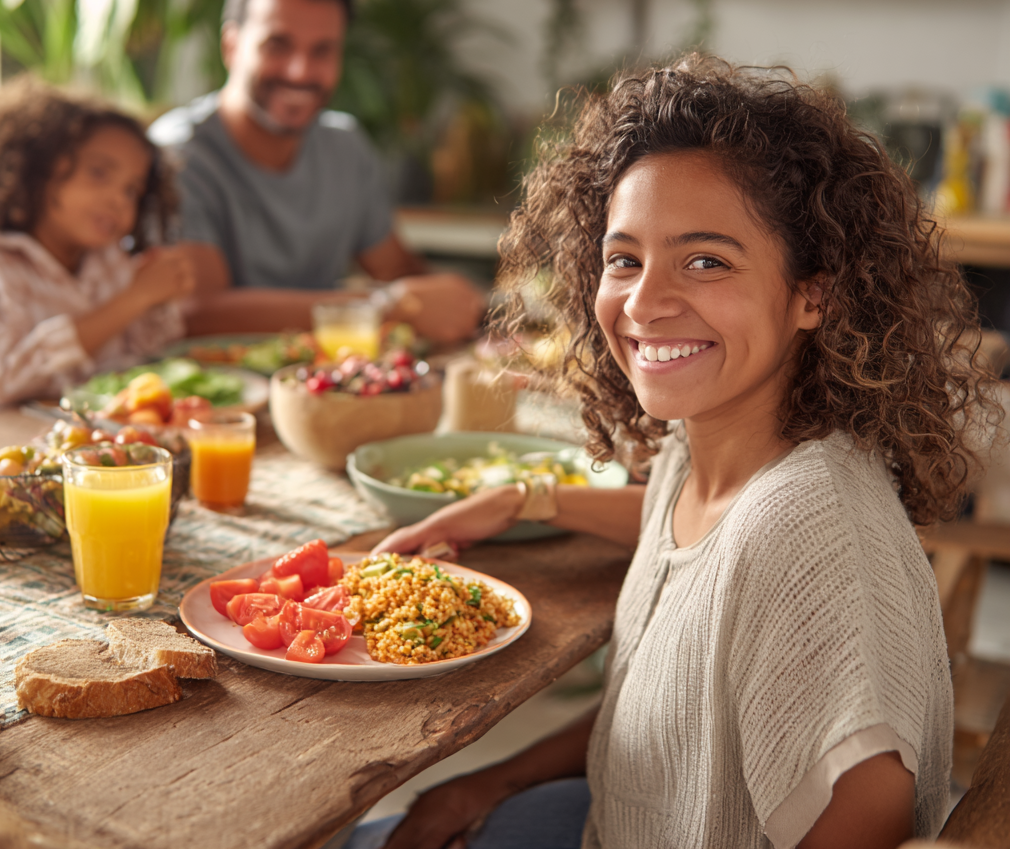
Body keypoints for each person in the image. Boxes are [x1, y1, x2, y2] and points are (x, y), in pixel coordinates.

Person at [349, 56, 999, 849]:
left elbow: (871, 821)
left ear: (813, 293)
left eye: (706, 261)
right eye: (624, 259)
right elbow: (672, 696)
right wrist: (496, 775)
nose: (645, 302)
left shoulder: (808, 530)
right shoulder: (710, 449)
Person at [149, 0, 483, 342]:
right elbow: (197, 312)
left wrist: (472, 303)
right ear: (231, 47)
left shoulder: (345, 148)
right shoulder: (176, 155)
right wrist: (384, 307)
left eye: (322, 51)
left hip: (325, 387)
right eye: (278, 45)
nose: (300, 71)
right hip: (209, 397)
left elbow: (399, 271)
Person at [0, 77, 194, 407]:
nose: (118, 200)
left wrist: (160, 299)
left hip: (100, 442)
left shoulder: (110, 260)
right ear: (40, 166)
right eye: (99, 173)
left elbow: (149, 356)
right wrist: (133, 299)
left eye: (132, 191)